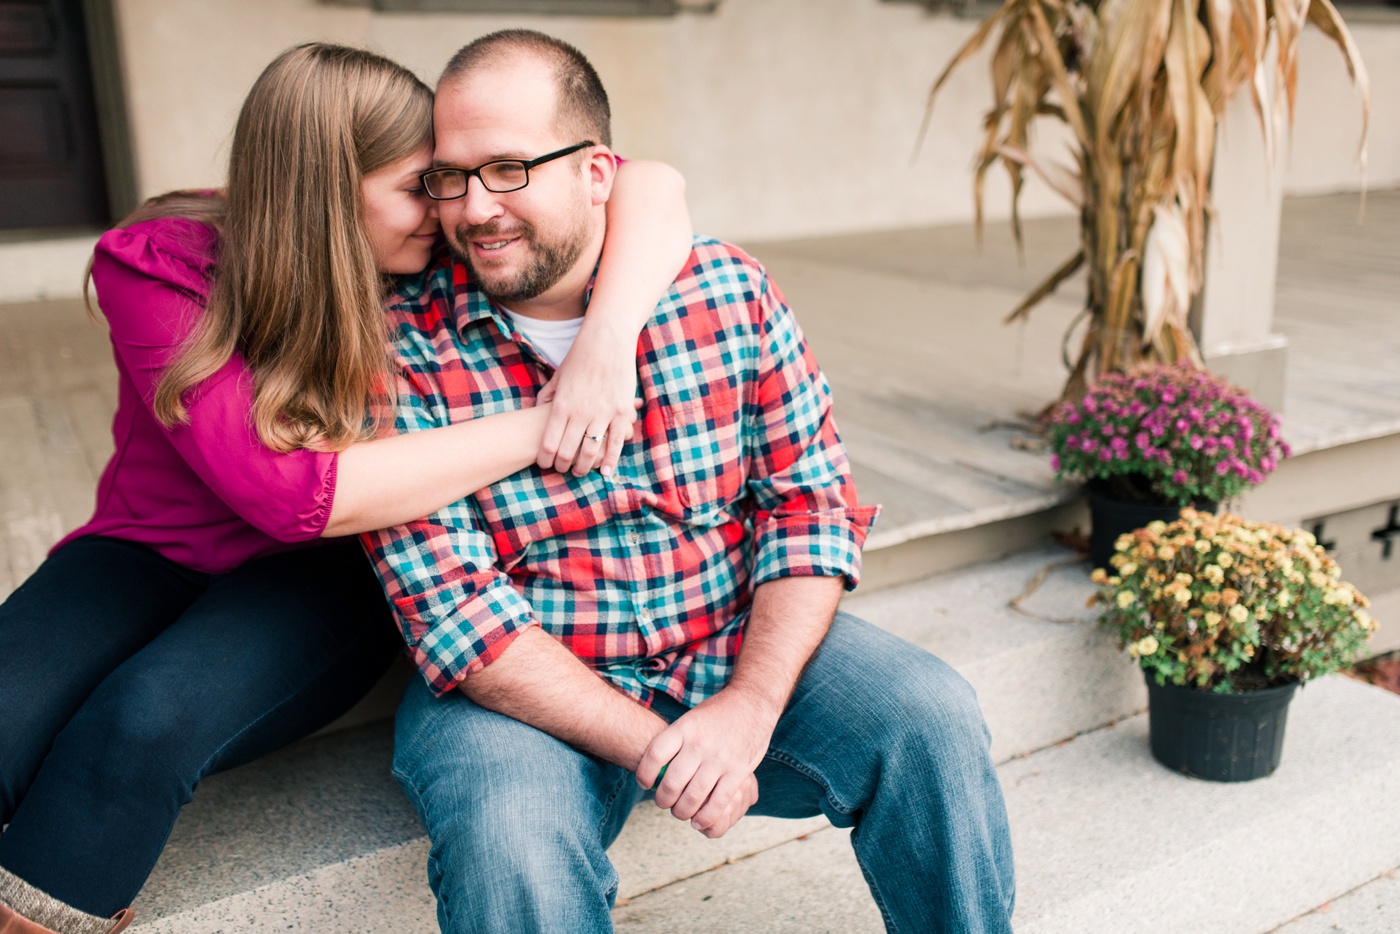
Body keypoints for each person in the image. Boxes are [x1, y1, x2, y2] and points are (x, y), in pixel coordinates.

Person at [0, 42, 691, 934]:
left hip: (336, 567)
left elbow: (652, 185)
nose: (452, 208)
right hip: (149, 548)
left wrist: (605, 346)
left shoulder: (437, 247)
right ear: (327, 189)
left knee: (142, 719)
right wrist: (548, 422)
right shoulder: (160, 263)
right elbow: (282, 489)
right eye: (422, 185)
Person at [366, 29, 1016, 934]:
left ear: (598, 172)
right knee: (507, 833)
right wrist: (674, 753)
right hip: (526, 689)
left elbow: (809, 508)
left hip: (723, 636)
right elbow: (456, 611)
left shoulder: (725, 292)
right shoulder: (401, 349)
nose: (476, 208)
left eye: (510, 169)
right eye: (452, 175)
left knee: (931, 716)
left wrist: (749, 708)